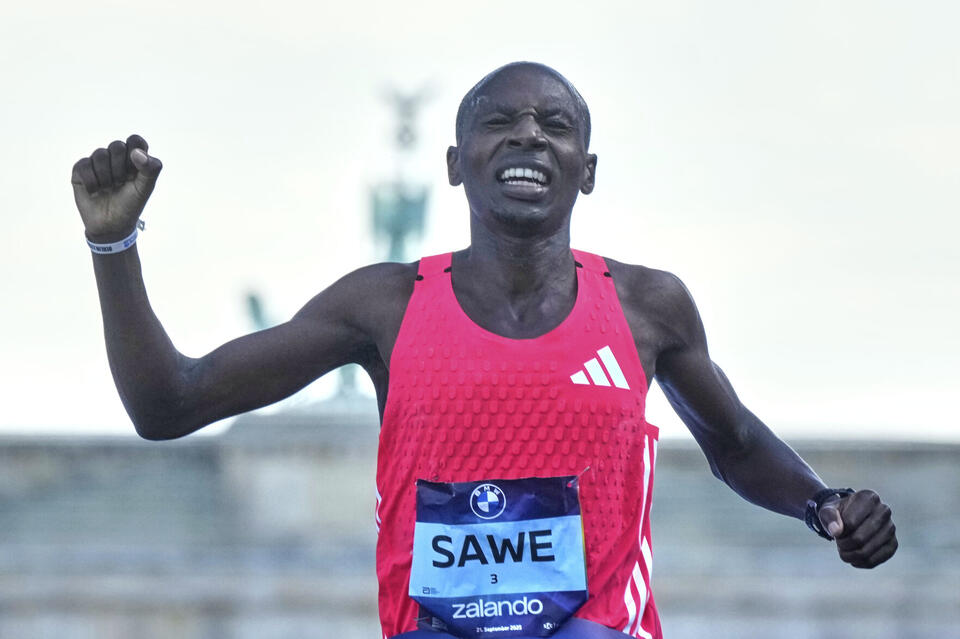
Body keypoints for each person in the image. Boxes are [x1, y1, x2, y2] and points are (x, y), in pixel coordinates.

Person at [71, 62, 897, 639]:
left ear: (588, 169)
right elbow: (170, 403)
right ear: (456, 165)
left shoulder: (647, 307)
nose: (527, 136)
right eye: (498, 123)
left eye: (555, 125)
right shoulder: (386, 305)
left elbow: (739, 444)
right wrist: (115, 249)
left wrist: (824, 506)